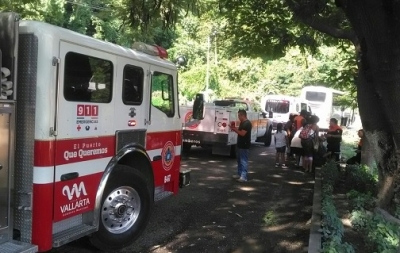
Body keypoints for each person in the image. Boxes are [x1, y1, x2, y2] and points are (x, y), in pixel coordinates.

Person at [230, 109, 252, 182]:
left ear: (243, 115)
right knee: (239, 160)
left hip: (244, 145)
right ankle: (239, 174)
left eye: (239, 115)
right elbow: (239, 132)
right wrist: (234, 129)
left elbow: (242, 133)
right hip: (240, 144)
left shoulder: (247, 123)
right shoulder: (242, 123)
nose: (238, 117)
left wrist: (234, 129)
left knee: (243, 161)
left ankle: (244, 176)